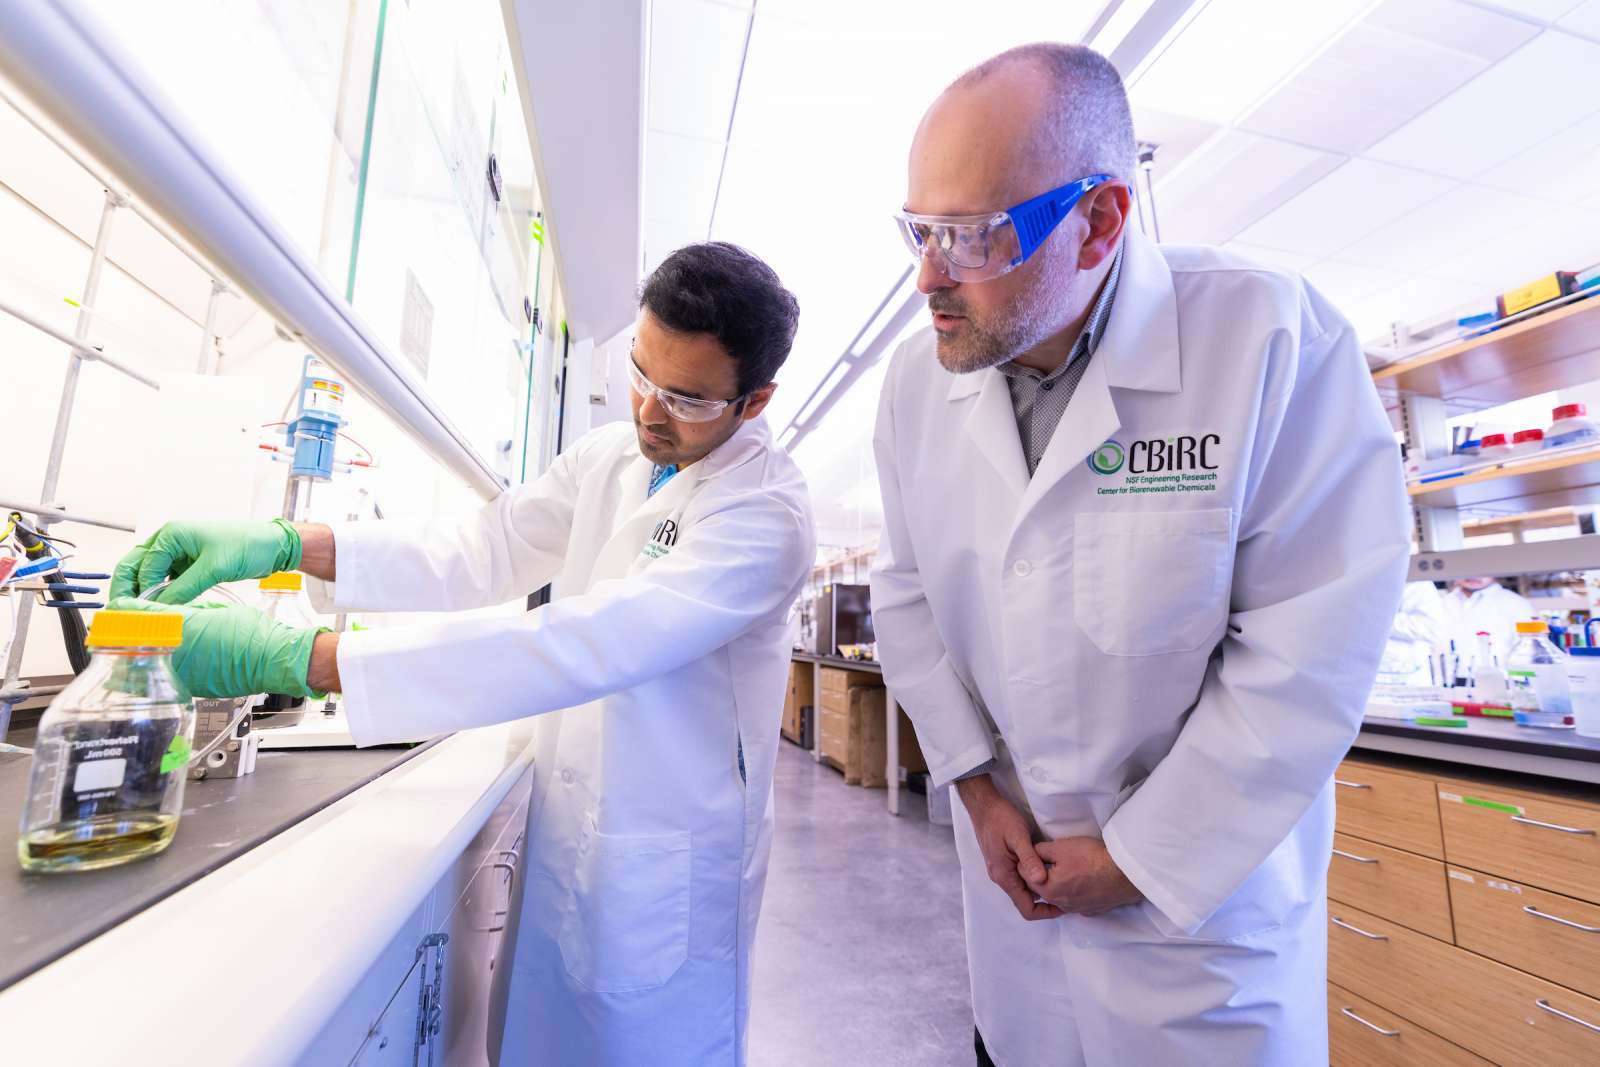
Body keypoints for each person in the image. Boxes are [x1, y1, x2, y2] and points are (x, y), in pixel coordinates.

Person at [110, 242, 815, 1066]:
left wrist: (308, 658)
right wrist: (287, 544)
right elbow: (483, 548)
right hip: (574, 844)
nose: (649, 413)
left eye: (686, 399)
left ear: (755, 400)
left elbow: (592, 641)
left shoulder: (765, 514)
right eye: (640, 375)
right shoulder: (613, 457)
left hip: (663, 876)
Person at [869, 43, 1409, 1065]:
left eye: (973, 236)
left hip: (1194, 953)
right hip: (1015, 935)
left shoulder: (1268, 339)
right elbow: (904, 597)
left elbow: (1309, 651)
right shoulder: (913, 385)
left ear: (1100, 220)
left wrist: (1136, 858)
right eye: (920, 230)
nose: (927, 277)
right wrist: (974, 789)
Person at [1443, 577, 1533, 678]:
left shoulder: (1517, 604)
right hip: (1450, 686)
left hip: (1503, 685)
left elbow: (1528, 655)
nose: (1473, 574)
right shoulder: (1443, 603)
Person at [1379, 581, 1448, 685]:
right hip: (1372, 672)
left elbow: (1432, 628)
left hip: (1407, 676)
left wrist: (1378, 620)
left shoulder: (1420, 584)